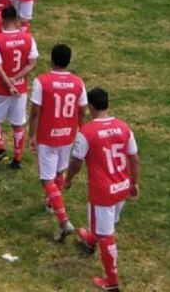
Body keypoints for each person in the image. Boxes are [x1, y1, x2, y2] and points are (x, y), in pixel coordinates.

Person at [63, 87, 139, 292]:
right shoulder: (124, 128)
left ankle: (112, 282)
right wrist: (133, 184)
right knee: (104, 224)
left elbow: (76, 161)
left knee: (106, 235)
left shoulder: (87, 132)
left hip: (102, 192)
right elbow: (134, 159)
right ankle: (90, 239)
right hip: (122, 187)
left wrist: (68, 180)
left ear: (90, 106)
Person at [28, 43, 87, 243]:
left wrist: (32, 135)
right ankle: (51, 203)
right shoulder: (78, 82)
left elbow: (35, 112)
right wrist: (82, 132)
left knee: (46, 179)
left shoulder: (42, 81)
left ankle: (63, 221)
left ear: (51, 60)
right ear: (69, 61)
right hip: (68, 135)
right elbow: (82, 110)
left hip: (48, 136)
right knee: (59, 171)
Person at [0, 6, 38, 169]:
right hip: (20, 89)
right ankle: (17, 159)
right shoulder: (28, 38)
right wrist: (16, 79)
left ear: (2, 19)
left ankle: (0, 148)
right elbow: (32, 63)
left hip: (1, 89)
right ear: (16, 20)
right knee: (18, 123)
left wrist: (9, 84)